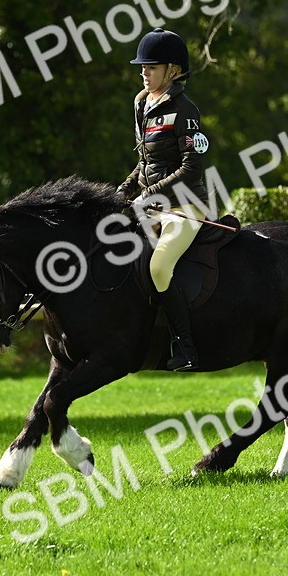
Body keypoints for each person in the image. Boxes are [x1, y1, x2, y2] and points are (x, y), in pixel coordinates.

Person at [117, 28, 210, 371]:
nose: (144, 72)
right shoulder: (142, 103)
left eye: (151, 67)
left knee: (158, 267)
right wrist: (123, 190)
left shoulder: (186, 109)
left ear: (173, 71)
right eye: (142, 67)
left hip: (185, 206)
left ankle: (187, 348)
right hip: (150, 206)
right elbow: (145, 161)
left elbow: (192, 166)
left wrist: (148, 194)